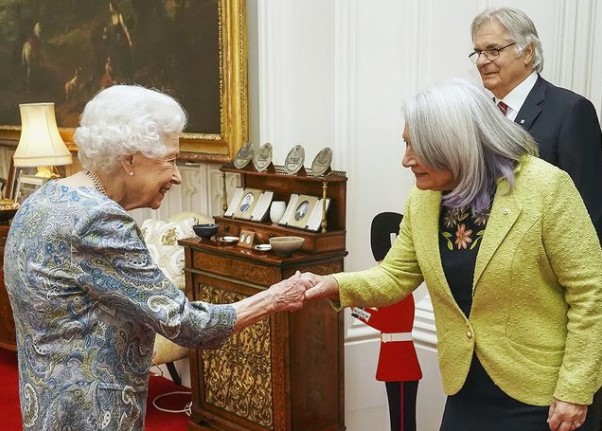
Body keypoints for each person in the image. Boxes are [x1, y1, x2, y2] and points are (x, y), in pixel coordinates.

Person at [3, 85, 311, 431]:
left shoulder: (42, 200)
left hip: (45, 404)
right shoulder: (98, 220)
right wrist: (275, 297)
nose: (177, 176)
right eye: (171, 160)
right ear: (130, 159)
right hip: (92, 414)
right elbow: (185, 323)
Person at [303, 79, 602, 431]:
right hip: (466, 387)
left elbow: (591, 291)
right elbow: (395, 275)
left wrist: (574, 389)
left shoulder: (545, 187)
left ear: (454, 145)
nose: (405, 160)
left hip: (541, 394)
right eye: (405, 144)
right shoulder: (425, 199)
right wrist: (329, 284)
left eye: (417, 148)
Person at [469, 6, 602, 244]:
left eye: (493, 50)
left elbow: (588, 206)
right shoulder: (478, 113)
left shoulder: (571, 110)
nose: (481, 61)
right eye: (478, 52)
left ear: (528, 52)